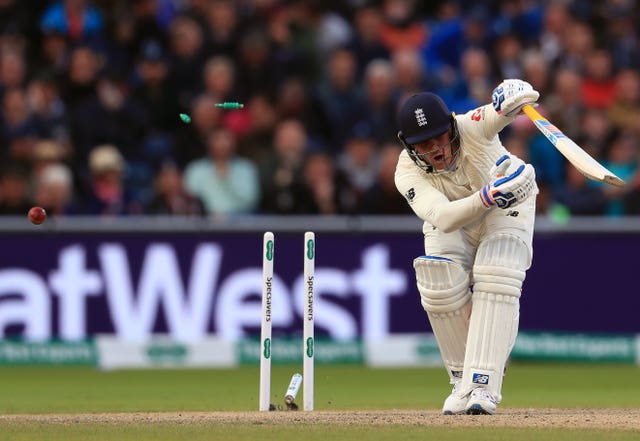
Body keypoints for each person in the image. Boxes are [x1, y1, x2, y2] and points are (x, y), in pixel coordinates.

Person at [394, 79, 539, 415]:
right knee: (436, 279)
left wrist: (518, 92)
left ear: (452, 127)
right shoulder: (406, 171)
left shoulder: (470, 126)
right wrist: (488, 195)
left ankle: (484, 385)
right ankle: (462, 382)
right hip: (467, 212)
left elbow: (503, 110)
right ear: (408, 145)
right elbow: (444, 217)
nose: (435, 150)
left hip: (508, 205)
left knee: (497, 271)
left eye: (439, 138)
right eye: (423, 144)